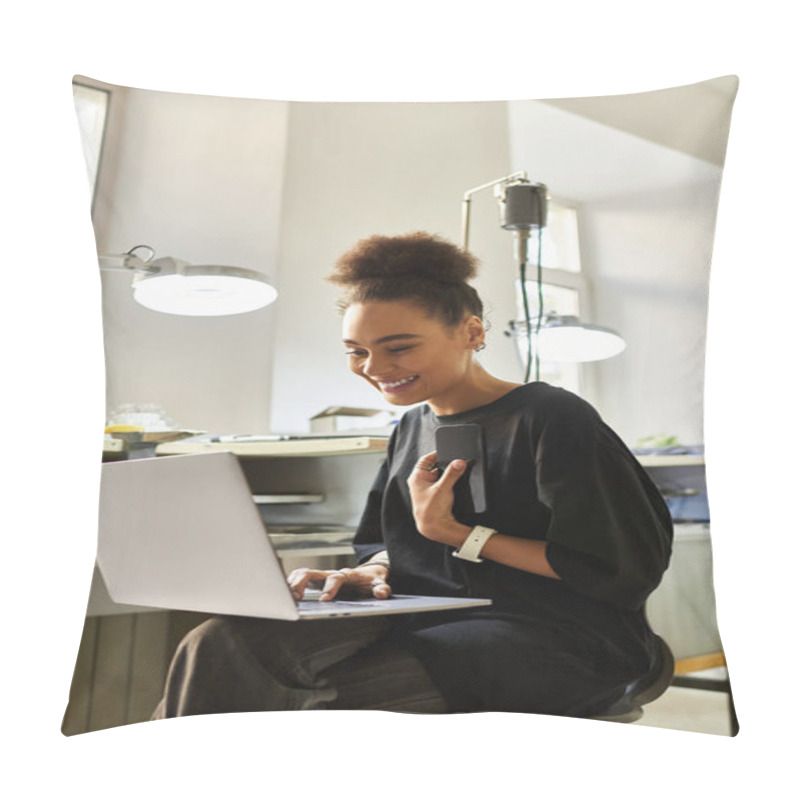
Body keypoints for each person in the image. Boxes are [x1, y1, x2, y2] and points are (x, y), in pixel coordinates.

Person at [151, 231, 673, 720]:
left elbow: (615, 567)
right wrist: (373, 570)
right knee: (219, 643)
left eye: (398, 347)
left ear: (471, 331)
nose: (374, 366)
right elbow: (385, 539)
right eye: (357, 351)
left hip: (555, 632)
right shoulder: (411, 427)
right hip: (427, 615)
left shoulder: (549, 417)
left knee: (317, 704)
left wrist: (460, 535)